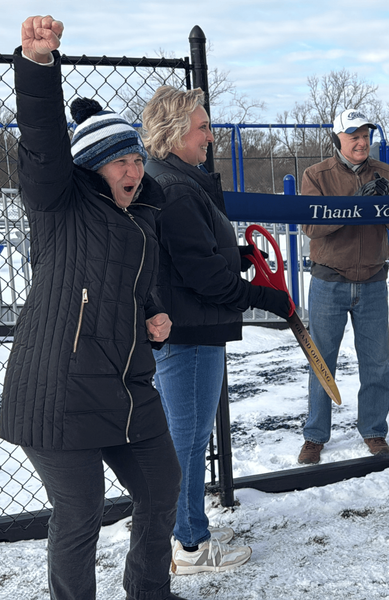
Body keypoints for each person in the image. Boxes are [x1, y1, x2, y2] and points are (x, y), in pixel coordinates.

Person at [0, 16, 186, 600]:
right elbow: (42, 141)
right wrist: (36, 67)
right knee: (80, 515)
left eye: (135, 160)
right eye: (118, 161)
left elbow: (132, 287)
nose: (133, 170)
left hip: (125, 385)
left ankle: (150, 591)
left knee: (161, 489)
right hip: (57, 389)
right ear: (89, 167)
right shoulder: (59, 206)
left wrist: (155, 316)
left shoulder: (142, 218)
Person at [141, 85, 291, 575]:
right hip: (190, 334)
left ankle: (186, 524)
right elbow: (203, 277)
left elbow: (196, 255)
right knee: (187, 441)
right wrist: (261, 297)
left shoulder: (175, 178)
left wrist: (240, 256)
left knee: (183, 437)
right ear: (176, 132)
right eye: (202, 127)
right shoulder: (178, 188)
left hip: (189, 327)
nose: (210, 135)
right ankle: (189, 546)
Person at [298, 108, 389, 465]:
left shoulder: (388, 174)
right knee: (321, 362)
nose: (361, 142)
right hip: (329, 280)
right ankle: (315, 435)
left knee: (377, 362)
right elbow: (310, 226)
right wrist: (353, 206)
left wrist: (386, 206)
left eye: (366, 135)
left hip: (374, 280)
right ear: (338, 140)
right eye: (353, 136)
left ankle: (374, 430)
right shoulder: (316, 175)